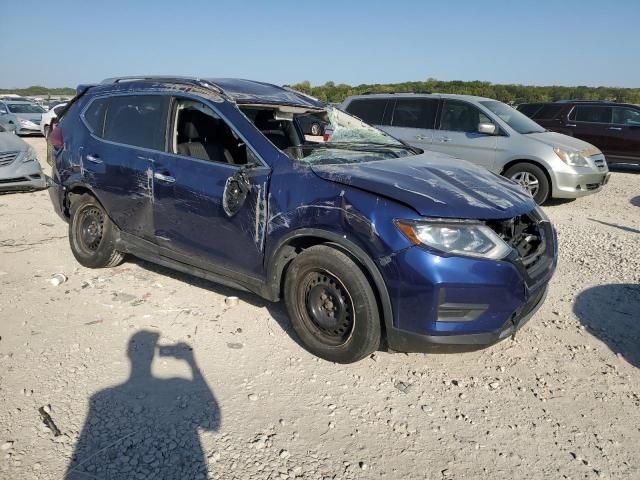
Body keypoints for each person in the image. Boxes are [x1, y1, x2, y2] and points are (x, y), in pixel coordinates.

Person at [65, 330, 220, 479]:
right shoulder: (181, 383)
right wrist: (191, 362)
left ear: (128, 355)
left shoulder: (99, 397)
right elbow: (213, 422)